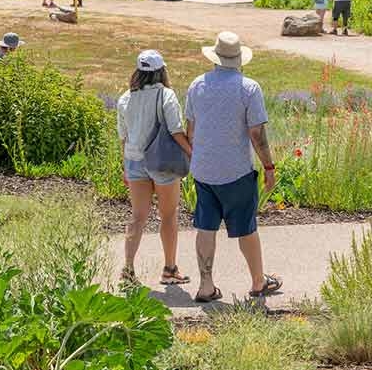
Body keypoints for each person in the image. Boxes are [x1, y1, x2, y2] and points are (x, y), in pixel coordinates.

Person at [185, 32, 282, 303]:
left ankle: (206, 286)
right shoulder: (248, 88)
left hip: (204, 169)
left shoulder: (197, 85)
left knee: (205, 227)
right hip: (235, 171)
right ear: (239, 59)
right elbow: (256, 134)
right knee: (246, 228)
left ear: (215, 57)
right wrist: (269, 167)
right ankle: (257, 282)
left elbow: (191, 130)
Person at [117, 50, 194, 288]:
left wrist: (125, 167)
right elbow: (175, 130)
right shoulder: (166, 95)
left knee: (137, 217)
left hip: (134, 160)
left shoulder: (124, 99)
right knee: (168, 215)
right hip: (163, 161)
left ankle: (128, 269)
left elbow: (123, 137)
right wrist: (193, 153)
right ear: (161, 71)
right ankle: (170, 269)